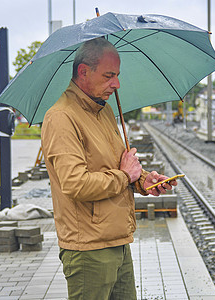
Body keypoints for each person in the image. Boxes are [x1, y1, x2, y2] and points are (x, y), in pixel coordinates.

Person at [41, 38, 177, 300]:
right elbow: (75, 184)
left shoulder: (103, 111)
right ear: (83, 71)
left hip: (118, 240)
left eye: (117, 75)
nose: (116, 84)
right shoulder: (61, 118)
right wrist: (126, 175)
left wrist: (144, 180)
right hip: (89, 249)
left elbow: (117, 164)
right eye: (108, 76)